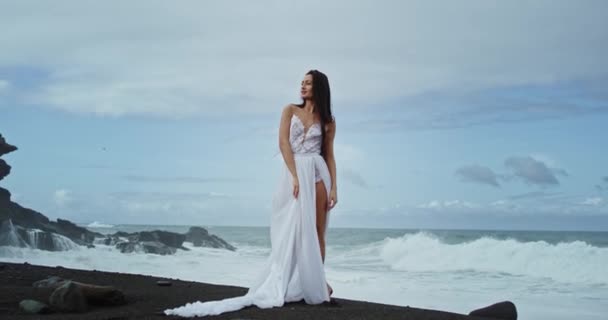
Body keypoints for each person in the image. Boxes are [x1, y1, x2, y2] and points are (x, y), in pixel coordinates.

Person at [164, 69, 338, 317]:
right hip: (295, 171)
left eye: (308, 83)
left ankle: (318, 283)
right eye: (301, 82)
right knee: (290, 229)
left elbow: (329, 155)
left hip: (319, 172)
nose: (302, 86)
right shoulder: (290, 110)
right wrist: (295, 176)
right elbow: (283, 144)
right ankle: (289, 281)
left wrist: (335, 188)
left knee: (317, 231)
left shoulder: (328, 121)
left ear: (318, 87)